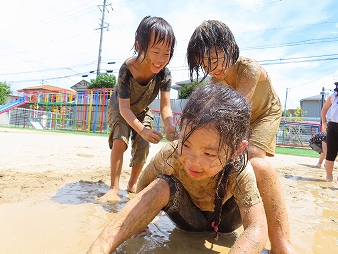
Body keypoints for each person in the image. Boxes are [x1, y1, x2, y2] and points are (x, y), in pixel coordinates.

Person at [88, 84, 268, 254]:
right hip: (188, 221)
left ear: (237, 150)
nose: (192, 162)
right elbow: (145, 183)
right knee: (161, 184)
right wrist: (139, 224)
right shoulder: (171, 155)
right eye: (186, 144)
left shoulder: (239, 168)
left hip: (226, 222)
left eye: (209, 154)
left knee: (264, 169)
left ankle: (282, 243)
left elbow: (256, 228)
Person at [186, 20, 296, 253]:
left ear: (229, 48)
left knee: (253, 158)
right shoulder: (217, 80)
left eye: (214, 60)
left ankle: (278, 239)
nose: (211, 68)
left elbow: (239, 111)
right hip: (241, 116)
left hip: (265, 113)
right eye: (204, 64)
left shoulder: (248, 68)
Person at [98, 16, 177, 202]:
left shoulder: (164, 74)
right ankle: (114, 188)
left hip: (142, 110)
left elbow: (165, 106)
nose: (160, 59)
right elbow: (124, 107)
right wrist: (142, 130)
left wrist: (169, 126)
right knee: (120, 140)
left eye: (166, 54)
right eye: (156, 51)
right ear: (140, 46)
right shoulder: (127, 69)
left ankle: (133, 183)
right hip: (120, 108)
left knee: (143, 143)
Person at [321, 81, 338, 182]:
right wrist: (324, 122)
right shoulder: (333, 96)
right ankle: (329, 176)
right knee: (331, 153)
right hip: (333, 127)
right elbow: (324, 110)